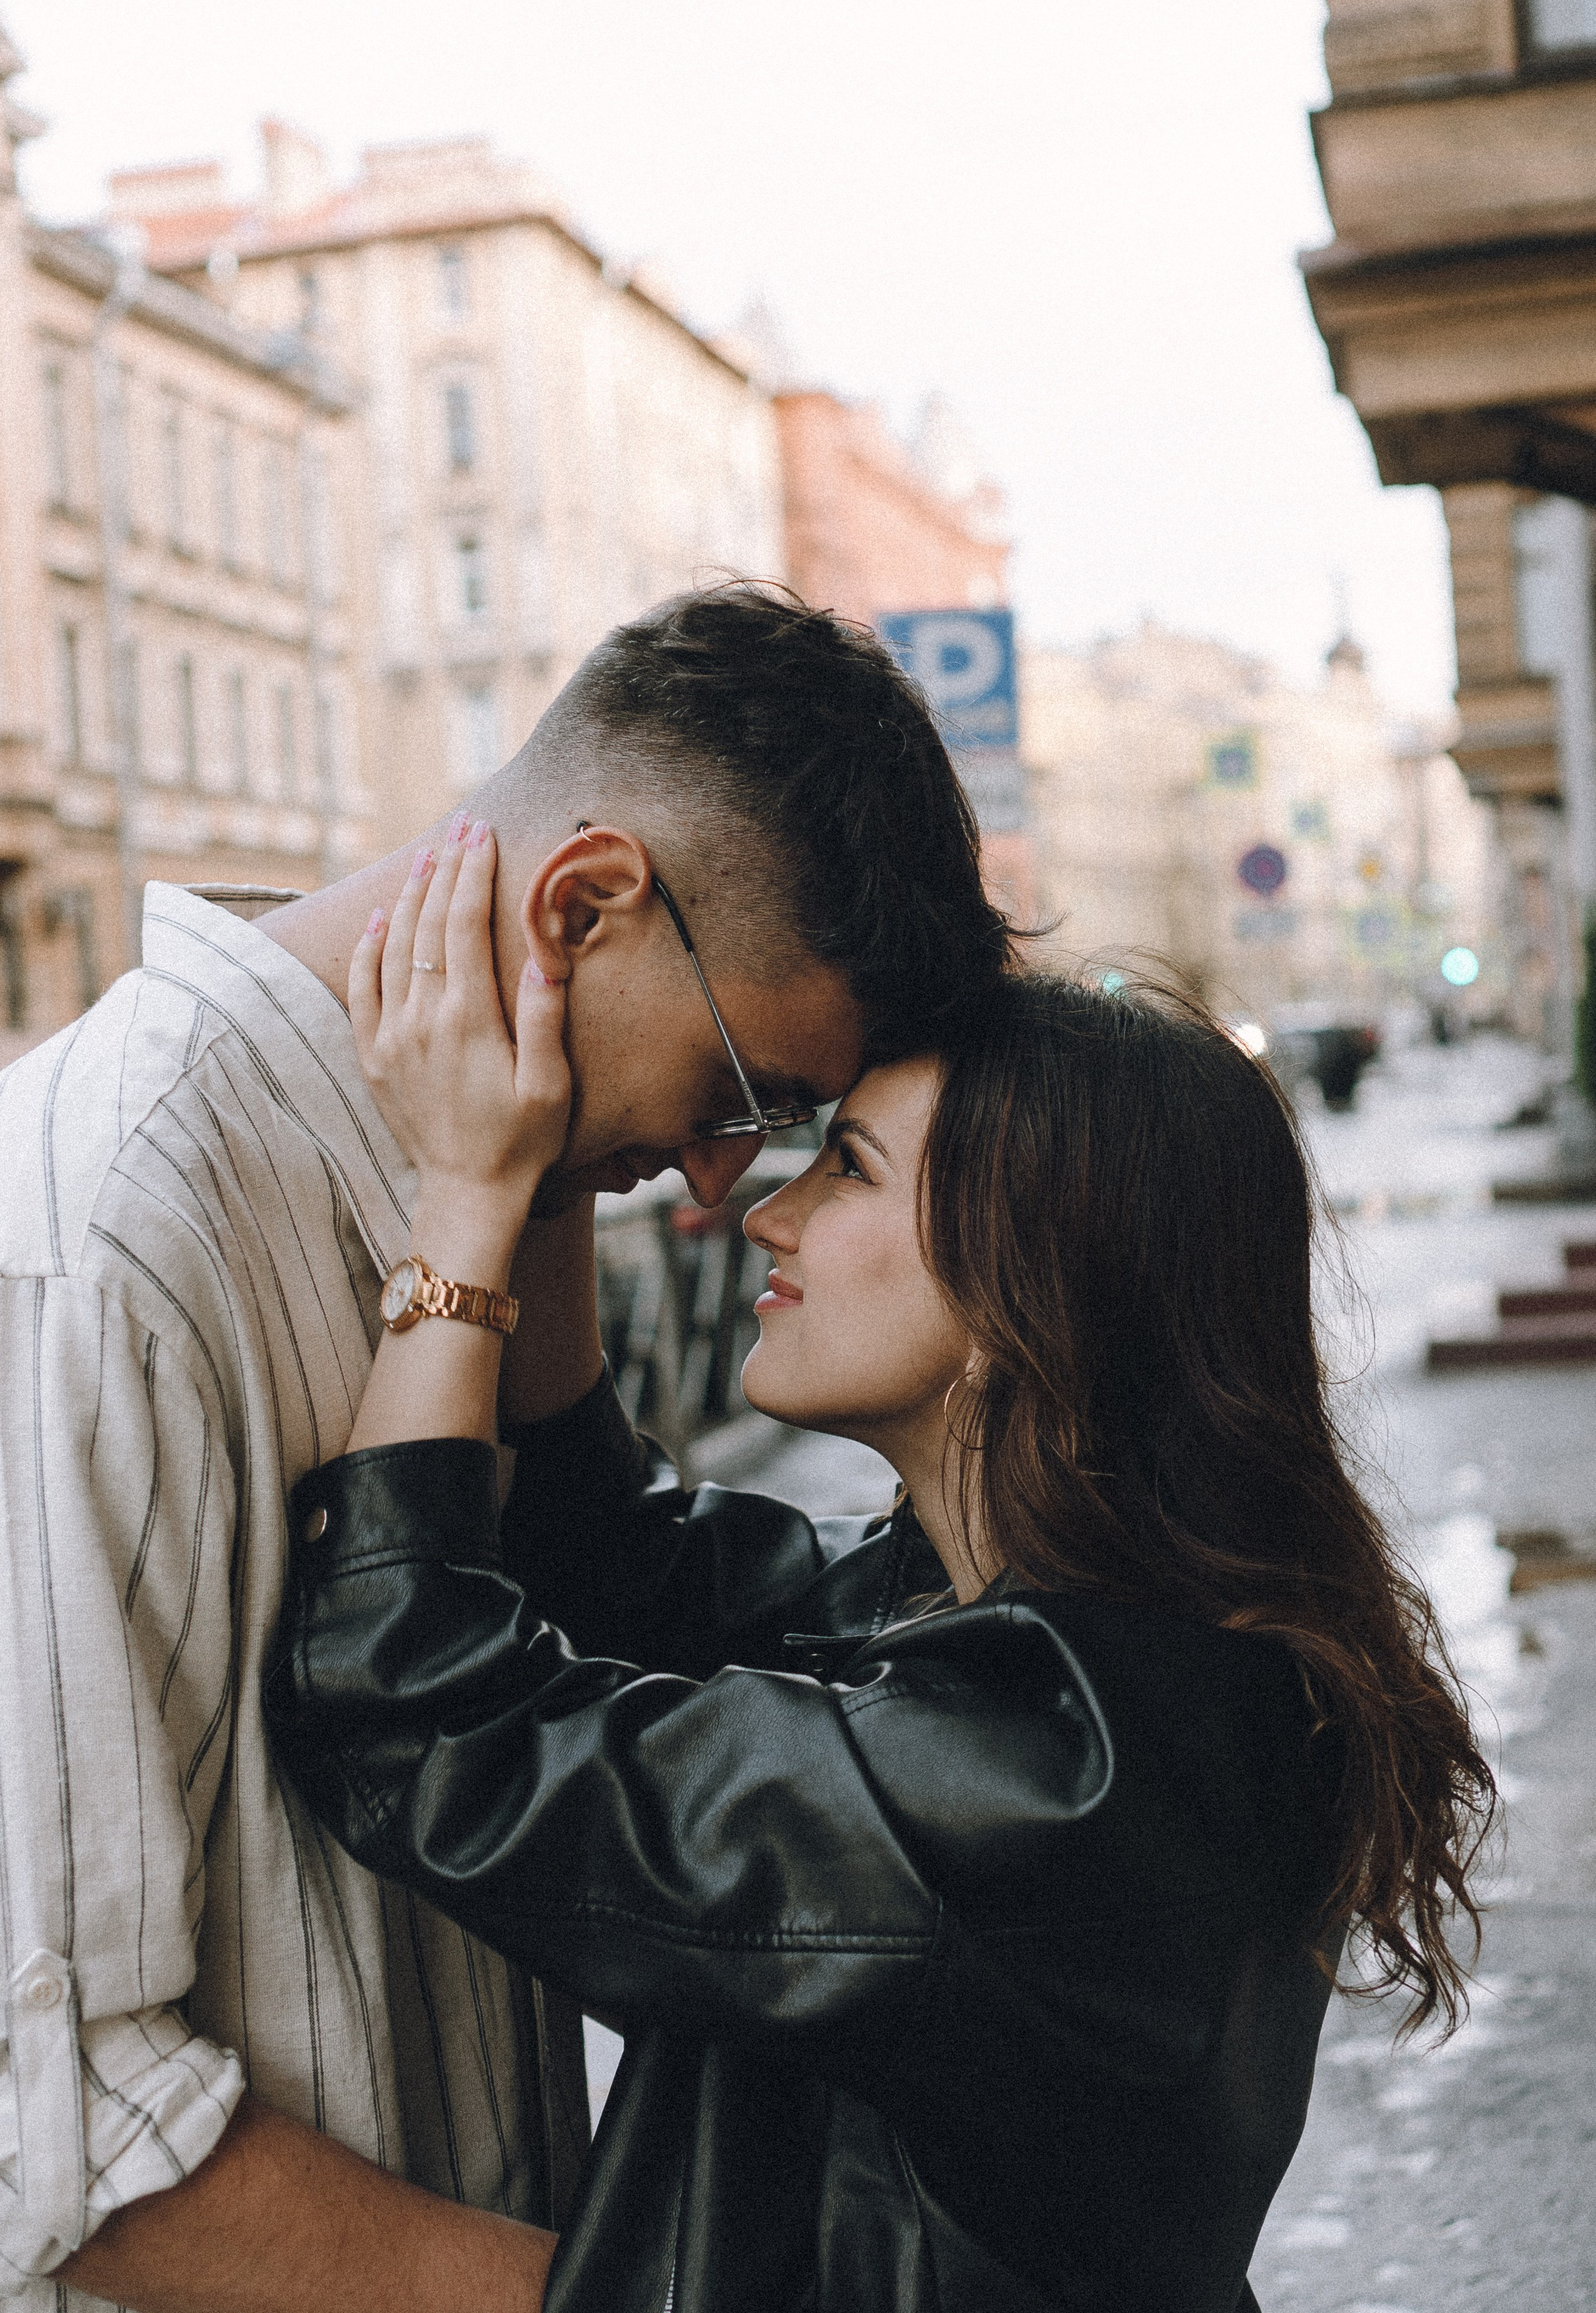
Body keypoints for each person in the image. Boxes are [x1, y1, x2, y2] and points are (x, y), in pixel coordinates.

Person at [266, 842, 1495, 2313]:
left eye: (843, 1169)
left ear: (1024, 1275)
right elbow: (610, 1563)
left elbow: (413, 1709)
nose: (763, 1216)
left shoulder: (1048, 1773)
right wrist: (566, 1152)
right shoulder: (1055, 1638)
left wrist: (463, 1202)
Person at [0, 584, 1009, 2313]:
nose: (718, 1187)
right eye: (740, 1098)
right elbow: (56, 2122)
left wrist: (526, 1186)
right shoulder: (111, 1230)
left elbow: (588, 1619)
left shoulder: (441, 1179)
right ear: (587, 902)